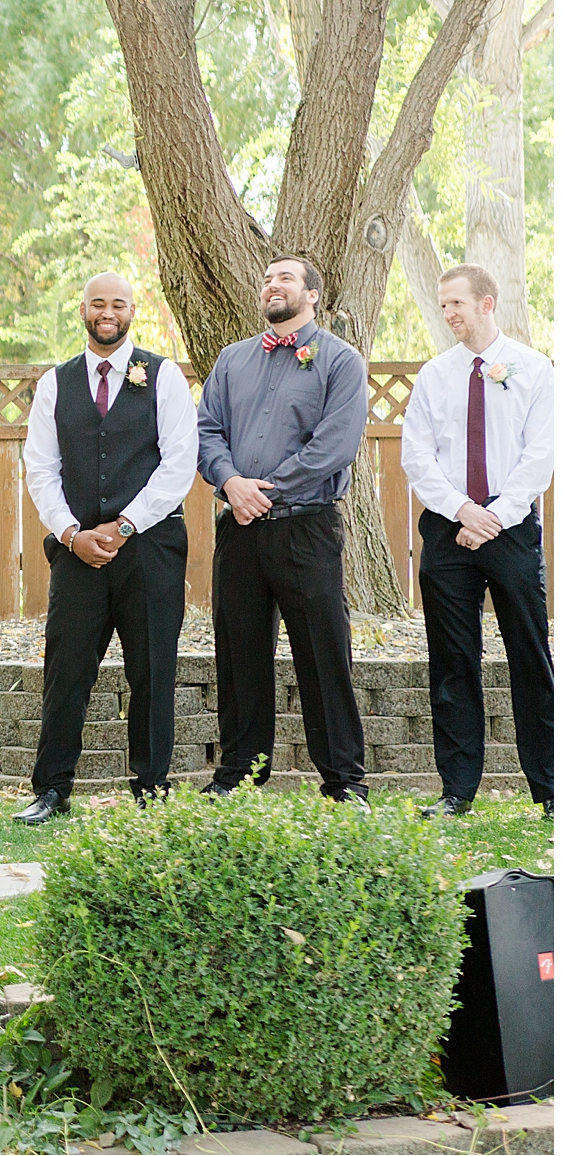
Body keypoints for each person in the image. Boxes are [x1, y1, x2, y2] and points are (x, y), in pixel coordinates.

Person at [13, 273, 198, 826]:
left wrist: (123, 526)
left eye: (118, 303)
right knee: (66, 669)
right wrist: (73, 533)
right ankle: (51, 790)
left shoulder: (163, 378)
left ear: (132, 311)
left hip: (150, 548)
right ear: (82, 310)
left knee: (152, 670)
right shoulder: (55, 383)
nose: (108, 312)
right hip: (77, 551)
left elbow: (177, 464)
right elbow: (41, 469)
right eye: (98, 303)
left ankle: (150, 789)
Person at [196, 253, 371, 804]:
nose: (273, 285)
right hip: (240, 531)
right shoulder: (231, 360)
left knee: (323, 654)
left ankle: (344, 781)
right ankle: (239, 776)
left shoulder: (340, 362)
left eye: (286, 278)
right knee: (239, 652)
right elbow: (206, 433)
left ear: (311, 294)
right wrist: (230, 484)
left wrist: (263, 490)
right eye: (267, 278)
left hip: (307, 529)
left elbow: (336, 445)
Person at [399, 264, 554, 819]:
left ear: (487, 303)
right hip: (447, 528)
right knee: (452, 661)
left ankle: (550, 790)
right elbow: (415, 455)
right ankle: (457, 790)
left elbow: (542, 455)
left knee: (529, 655)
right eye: (443, 306)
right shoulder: (435, 376)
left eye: (457, 304)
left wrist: (497, 515)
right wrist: (462, 510)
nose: (449, 315)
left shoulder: (535, 370)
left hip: (510, 527)